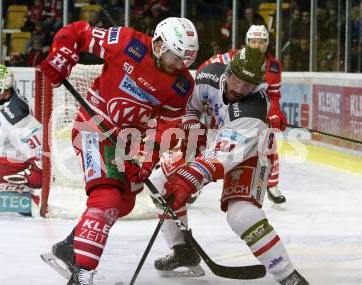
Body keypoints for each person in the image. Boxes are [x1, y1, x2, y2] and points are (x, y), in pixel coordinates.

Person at [40, 17, 199, 284]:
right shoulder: (128, 43)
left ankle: (70, 248)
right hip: (93, 126)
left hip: (127, 143)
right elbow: (79, 32)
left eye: (186, 60)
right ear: (159, 44)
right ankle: (82, 274)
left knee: (123, 202)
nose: (180, 65)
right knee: (107, 199)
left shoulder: (181, 85)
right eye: (176, 57)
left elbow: (166, 125)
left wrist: (148, 157)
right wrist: (63, 54)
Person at [152, 46, 309, 284]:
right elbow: (191, 107)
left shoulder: (253, 110)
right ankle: (182, 251)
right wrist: (193, 127)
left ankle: (288, 275)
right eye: (236, 79)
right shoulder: (207, 76)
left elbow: (223, 157)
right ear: (228, 71)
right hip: (214, 140)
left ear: (257, 86)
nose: (239, 89)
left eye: (248, 85)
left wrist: (189, 177)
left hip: (249, 151)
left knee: (242, 214)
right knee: (158, 182)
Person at [198, 25, 288, 206]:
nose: (257, 45)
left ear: (267, 44)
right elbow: (204, 69)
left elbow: (274, 95)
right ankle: (197, 180)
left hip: (253, 108)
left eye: (261, 42)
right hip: (225, 102)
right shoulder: (232, 57)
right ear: (246, 42)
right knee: (205, 140)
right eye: (253, 41)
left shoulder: (274, 67)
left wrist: (275, 114)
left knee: (268, 139)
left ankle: (272, 184)